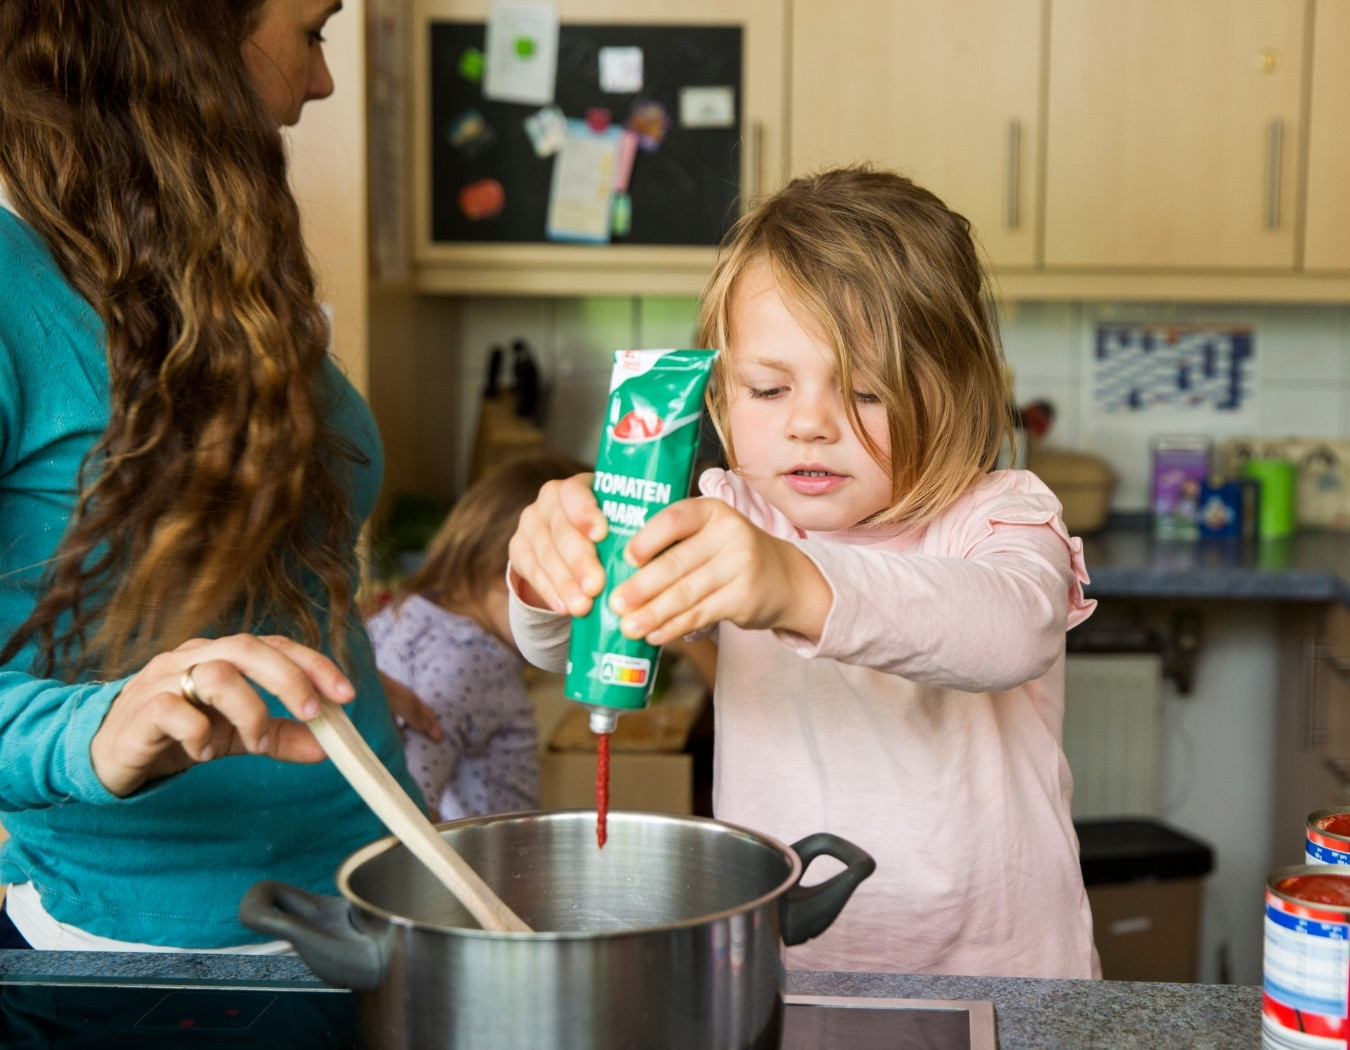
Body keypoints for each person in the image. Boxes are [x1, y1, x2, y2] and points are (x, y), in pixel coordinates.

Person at [507, 167, 1099, 979]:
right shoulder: (732, 513)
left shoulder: (1000, 514)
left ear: (957, 393)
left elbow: (1010, 628)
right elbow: (559, 646)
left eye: (867, 392)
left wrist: (793, 582)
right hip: (787, 975)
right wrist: (553, 573)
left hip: (1004, 982)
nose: (812, 423)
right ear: (722, 395)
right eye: (769, 387)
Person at [0, 0, 429, 952]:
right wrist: (98, 731)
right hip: (139, 953)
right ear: (188, 36)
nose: (321, 82)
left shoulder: (218, 277)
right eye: (313, 32)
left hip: (381, 888)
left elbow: (265, 574)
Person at [367, 452, 587, 822]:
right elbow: (411, 803)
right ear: (500, 571)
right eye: (574, 583)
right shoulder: (475, 659)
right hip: (485, 871)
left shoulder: (403, 614)